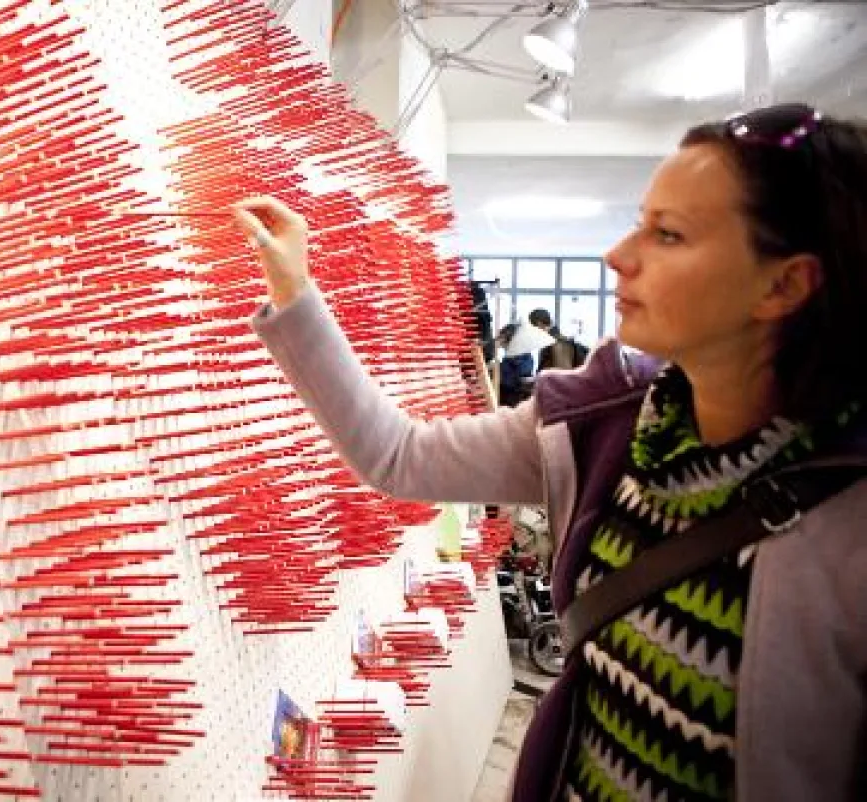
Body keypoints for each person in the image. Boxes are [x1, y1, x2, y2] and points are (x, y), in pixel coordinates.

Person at [232, 102, 867, 802]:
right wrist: (295, 288)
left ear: (784, 285)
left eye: (669, 235)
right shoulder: (599, 425)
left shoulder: (848, 526)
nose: (619, 255)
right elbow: (398, 455)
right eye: (639, 221)